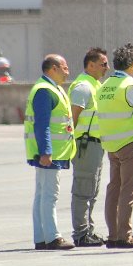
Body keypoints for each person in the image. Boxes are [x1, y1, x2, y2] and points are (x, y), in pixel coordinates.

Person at [98, 43, 133, 249]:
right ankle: (124, 235)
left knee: (114, 189)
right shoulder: (130, 86)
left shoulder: (105, 85)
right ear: (132, 64)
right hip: (129, 142)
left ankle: (112, 234)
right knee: (129, 189)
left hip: (110, 144)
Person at [25, 54, 76, 250]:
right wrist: (46, 152)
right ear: (53, 68)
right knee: (49, 195)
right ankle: (52, 237)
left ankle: (41, 237)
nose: (67, 71)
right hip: (49, 154)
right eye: (64, 67)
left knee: (42, 194)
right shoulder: (45, 91)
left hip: (52, 152)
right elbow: (42, 125)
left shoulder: (50, 88)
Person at [67, 47, 109, 247]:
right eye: (103, 64)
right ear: (90, 65)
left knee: (92, 190)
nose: (106, 68)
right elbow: (72, 118)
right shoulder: (83, 87)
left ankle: (88, 230)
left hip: (96, 144)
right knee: (83, 190)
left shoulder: (95, 85)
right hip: (85, 144)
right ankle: (81, 233)